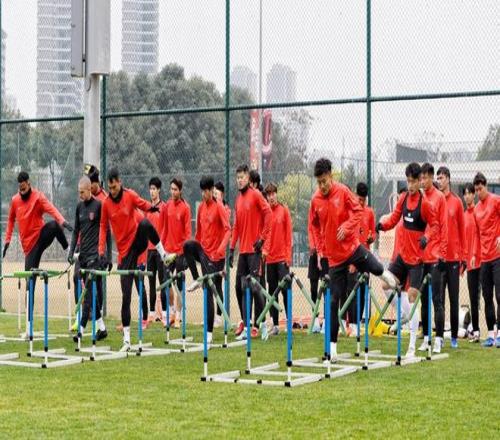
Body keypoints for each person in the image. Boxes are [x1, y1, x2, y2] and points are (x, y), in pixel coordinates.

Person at [309, 158, 396, 361]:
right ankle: (332, 348)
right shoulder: (315, 200)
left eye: (324, 181)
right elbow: (314, 225)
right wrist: (321, 248)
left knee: (374, 266)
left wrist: (347, 227)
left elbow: (358, 211)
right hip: (334, 259)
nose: (322, 186)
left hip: (352, 247)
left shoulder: (343, 191)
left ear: (331, 176)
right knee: (333, 301)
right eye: (319, 183)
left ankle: (385, 274)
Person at [98, 168, 174, 351]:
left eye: (114, 187)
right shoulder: (106, 204)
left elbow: (143, 204)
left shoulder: (129, 195)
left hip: (136, 242)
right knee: (126, 297)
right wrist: (101, 252)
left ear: (120, 182)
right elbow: (102, 227)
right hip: (124, 255)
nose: (112, 190)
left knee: (146, 223)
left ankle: (163, 255)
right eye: (109, 188)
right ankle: (126, 340)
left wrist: (153, 208)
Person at [377, 162, 438, 356]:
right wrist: (381, 226)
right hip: (402, 258)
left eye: (413, 182)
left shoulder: (425, 204)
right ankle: (405, 315)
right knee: (385, 284)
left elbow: (435, 225)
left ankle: (411, 346)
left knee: (412, 297)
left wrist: (426, 237)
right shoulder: (403, 199)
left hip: (416, 261)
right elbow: (394, 219)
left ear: (420, 181)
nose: (410, 185)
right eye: (408, 181)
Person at [3, 171, 73, 303]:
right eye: (20, 189)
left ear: (29, 184)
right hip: (29, 248)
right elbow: (11, 220)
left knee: (54, 225)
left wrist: (63, 221)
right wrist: (7, 240)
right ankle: (29, 316)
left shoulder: (38, 197)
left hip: (40, 237)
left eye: (24, 188)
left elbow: (51, 209)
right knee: (29, 285)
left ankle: (68, 251)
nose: (22, 192)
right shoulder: (15, 201)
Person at [183, 176, 231, 344]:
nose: (204, 194)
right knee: (187, 245)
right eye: (202, 191)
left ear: (212, 191)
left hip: (215, 257)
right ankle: (197, 279)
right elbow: (198, 233)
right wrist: (193, 252)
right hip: (204, 253)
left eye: (206, 191)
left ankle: (209, 333)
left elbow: (228, 230)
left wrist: (220, 250)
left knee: (210, 292)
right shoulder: (201, 207)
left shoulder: (219, 207)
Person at [229, 164, 272, 340]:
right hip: (243, 252)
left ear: (248, 178)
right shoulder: (238, 199)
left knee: (254, 287)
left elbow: (269, 214)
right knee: (240, 287)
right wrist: (232, 248)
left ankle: (262, 324)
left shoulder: (256, 195)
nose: (239, 180)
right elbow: (236, 226)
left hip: (255, 251)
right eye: (237, 178)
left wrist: (262, 238)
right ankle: (246, 326)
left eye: (242, 177)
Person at [67, 176, 111, 342]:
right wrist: (71, 252)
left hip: (95, 257)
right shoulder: (79, 207)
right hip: (83, 257)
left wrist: (106, 255)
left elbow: (106, 231)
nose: (80, 195)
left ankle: (80, 332)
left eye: (82, 192)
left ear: (89, 189)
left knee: (87, 295)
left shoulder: (99, 206)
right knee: (91, 295)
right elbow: (75, 232)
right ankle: (102, 329)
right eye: (78, 192)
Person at [418, 163, 447, 354]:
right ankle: (427, 338)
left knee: (437, 299)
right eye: (421, 178)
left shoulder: (439, 198)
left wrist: (442, 254)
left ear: (431, 178)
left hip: (435, 256)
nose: (423, 181)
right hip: (422, 257)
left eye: (426, 178)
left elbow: (443, 226)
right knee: (423, 300)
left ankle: (439, 339)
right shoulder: (419, 198)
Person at [436, 166, 466, 348]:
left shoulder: (457, 202)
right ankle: (439, 337)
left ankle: (454, 337)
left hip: (454, 260)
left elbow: (462, 231)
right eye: (437, 178)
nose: (438, 181)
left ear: (448, 178)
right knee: (439, 300)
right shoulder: (436, 201)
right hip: (439, 259)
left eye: (441, 178)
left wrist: (463, 257)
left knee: (454, 300)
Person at [159, 178, 192, 328]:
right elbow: (164, 229)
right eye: (171, 189)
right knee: (166, 283)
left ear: (180, 190)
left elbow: (188, 233)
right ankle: (172, 312)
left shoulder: (185, 208)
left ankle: (178, 316)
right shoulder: (166, 206)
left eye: (175, 189)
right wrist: (162, 250)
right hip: (168, 252)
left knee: (179, 286)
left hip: (180, 253)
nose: (173, 192)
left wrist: (186, 254)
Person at [472, 172, 500, 347]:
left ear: (486, 186)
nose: (478, 192)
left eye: (480, 189)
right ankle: (490, 335)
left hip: (498, 256)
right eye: (476, 190)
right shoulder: (476, 209)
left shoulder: (496, 200)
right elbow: (476, 234)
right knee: (487, 296)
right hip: (484, 258)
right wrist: (475, 254)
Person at [345, 182, 376, 334]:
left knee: (363, 290)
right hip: (352, 255)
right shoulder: (350, 212)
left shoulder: (369, 212)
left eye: (364, 200)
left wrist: (371, 238)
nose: (362, 202)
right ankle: (350, 323)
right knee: (352, 290)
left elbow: (373, 233)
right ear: (356, 196)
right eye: (360, 199)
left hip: (365, 257)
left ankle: (358, 323)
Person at [264, 182, 293, 336]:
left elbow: (288, 236)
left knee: (286, 291)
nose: (271, 197)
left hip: (282, 259)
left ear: (276, 194)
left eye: (273, 194)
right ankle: (275, 325)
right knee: (272, 293)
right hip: (269, 260)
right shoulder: (265, 213)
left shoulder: (284, 210)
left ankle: (289, 322)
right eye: (268, 195)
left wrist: (288, 257)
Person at [144, 177, 167, 326]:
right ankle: (151, 314)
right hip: (149, 251)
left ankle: (164, 314)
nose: (152, 191)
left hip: (161, 251)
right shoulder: (147, 208)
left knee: (162, 282)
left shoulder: (164, 207)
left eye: (154, 189)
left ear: (159, 190)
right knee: (151, 282)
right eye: (150, 189)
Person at [463, 183, 481, 343]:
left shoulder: (479, 212)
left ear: (474, 195)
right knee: (473, 299)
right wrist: (464, 261)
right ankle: (476, 331)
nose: (467, 196)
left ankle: (495, 331)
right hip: (470, 264)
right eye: (465, 194)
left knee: (489, 297)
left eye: (469, 193)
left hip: (483, 261)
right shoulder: (464, 215)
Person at [307, 203, 329, 334]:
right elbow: (310, 230)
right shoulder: (312, 212)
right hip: (314, 254)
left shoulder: (326, 211)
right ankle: (315, 320)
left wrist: (322, 252)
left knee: (326, 288)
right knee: (313, 288)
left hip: (325, 254)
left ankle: (326, 320)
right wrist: (313, 247)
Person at [213, 180, 231, 327]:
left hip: (220, 253)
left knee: (218, 284)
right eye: (213, 193)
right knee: (211, 283)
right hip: (211, 251)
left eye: (216, 193)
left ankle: (219, 316)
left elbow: (227, 229)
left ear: (222, 194)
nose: (214, 196)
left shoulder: (226, 209)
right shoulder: (212, 207)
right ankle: (213, 315)